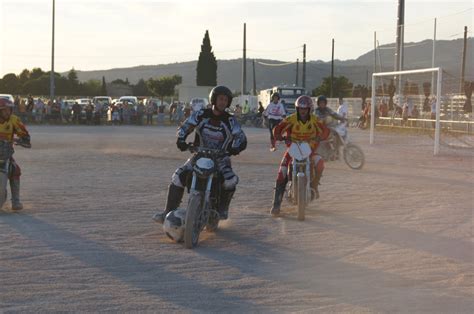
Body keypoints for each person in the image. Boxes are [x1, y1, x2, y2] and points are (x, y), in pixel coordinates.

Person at [152, 85, 247, 223]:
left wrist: (236, 148)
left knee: (230, 180)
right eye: (220, 99)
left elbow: (240, 137)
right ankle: (168, 211)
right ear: (214, 99)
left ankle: (222, 209)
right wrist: (181, 139)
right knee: (178, 176)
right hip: (199, 155)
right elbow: (186, 126)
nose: (222, 102)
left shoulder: (230, 120)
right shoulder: (201, 114)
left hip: (221, 158)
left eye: (225, 100)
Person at [270, 95, 329, 216]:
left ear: (309, 109)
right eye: (300, 108)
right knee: (282, 171)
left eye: (305, 108)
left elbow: (325, 130)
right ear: (297, 109)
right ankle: (276, 204)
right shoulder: (290, 119)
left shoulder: (315, 120)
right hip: (293, 150)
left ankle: (314, 186)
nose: (302, 111)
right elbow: (278, 128)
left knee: (320, 163)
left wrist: (321, 136)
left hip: (310, 150)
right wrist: (279, 135)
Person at [0, 98, 31, 210]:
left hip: (5, 153)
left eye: (9, 110)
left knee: (15, 171)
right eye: (5, 110)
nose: (7, 112)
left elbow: (24, 133)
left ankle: (16, 201)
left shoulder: (14, 120)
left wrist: (24, 139)